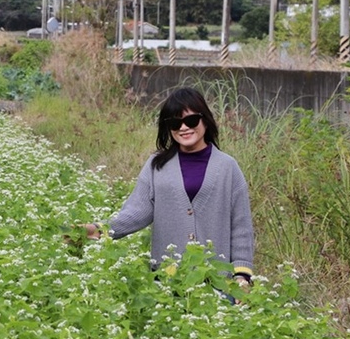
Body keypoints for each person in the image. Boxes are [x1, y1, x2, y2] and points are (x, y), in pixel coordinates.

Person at [82, 86, 254, 294]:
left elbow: (241, 225)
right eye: (175, 123)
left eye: (191, 121)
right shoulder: (157, 165)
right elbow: (138, 211)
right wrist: (98, 230)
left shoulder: (228, 167)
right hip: (167, 279)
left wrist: (242, 274)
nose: (183, 128)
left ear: (205, 121)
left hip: (216, 282)